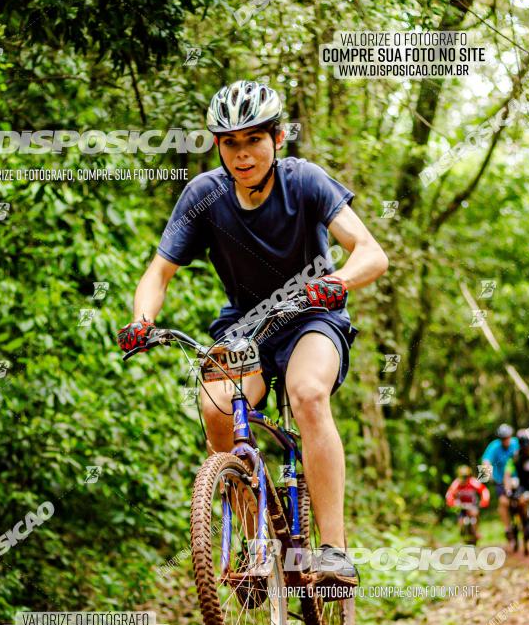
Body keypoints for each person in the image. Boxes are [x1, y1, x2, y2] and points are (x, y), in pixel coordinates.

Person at [117, 80, 389, 592]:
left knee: (308, 394)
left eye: (254, 140)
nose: (242, 155)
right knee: (218, 407)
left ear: (278, 137)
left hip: (312, 316)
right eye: (230, 143)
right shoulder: (204, 195)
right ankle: (256, 547)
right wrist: (142, 321)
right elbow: (158, 273)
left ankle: (333, 549)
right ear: (217, 145)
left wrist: (336, 283)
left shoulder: (305, 181)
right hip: (245, 326)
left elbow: (372, 252)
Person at [481, 424, 519, 545]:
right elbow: (486, 461)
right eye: (503, 438)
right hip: (500, 480)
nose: (506, 440)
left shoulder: (516, 443)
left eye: (507, 437)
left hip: (518, 479)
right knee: (503, 502)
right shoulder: (494, 446)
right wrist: (485, 475)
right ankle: (507, 528)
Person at [504, 430, 529, 550]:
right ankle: (522, 526)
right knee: (518, 504)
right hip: (522, 487)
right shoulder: (514, 458)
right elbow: (507, 475)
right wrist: (508, 490)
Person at [445, 465, 490, 539]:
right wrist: (451, 502)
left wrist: (484, 501)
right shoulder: (456, 483)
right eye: (462, 476)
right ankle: (461, 532)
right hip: (461, 506)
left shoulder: (473, 482)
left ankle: (476, 531)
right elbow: (449, 494)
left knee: (475, 514)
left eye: (466, 476)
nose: (464, 478)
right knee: (460, 521)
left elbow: (484, 490)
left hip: (472, 505)